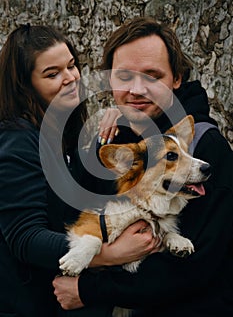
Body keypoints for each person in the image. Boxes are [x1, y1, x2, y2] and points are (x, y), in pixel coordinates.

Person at [53, 16, 233, 316]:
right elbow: (73, 213)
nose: (137, 89)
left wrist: (89, 290)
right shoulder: (122, 140)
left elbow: (200, 266)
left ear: (176, 78)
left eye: (152, 76)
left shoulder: (206, 147)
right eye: (124, 76)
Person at [0, 24, 160, 317]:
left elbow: (83, 196)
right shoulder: (17, 141)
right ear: (25, 84)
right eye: (52, 74)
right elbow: (26, 238)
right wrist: (108, 254)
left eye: (71, 66)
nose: (70, 79)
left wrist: (120, 122)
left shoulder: (58, 132)